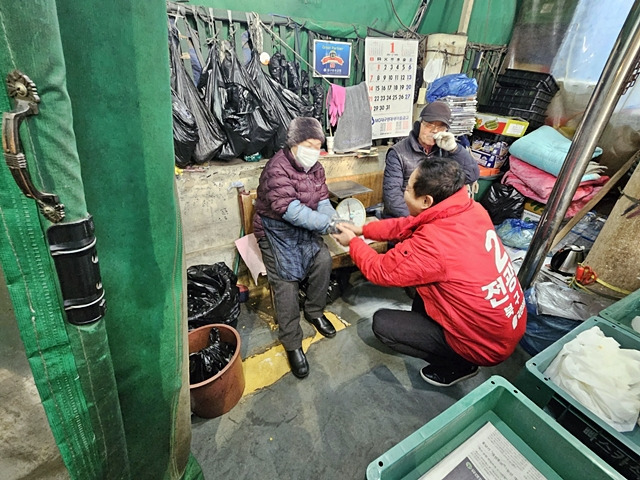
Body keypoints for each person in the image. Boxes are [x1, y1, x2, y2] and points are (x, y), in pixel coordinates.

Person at [332, 158, 526, 387]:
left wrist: (353, 242)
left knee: (383, 324)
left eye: (407, 188)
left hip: (485, 344)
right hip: (504, 324)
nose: (404, 191)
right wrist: (363, 229)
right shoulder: (470, 209)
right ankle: (449, 343)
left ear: (426, 200)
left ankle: (459, 364)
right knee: (424, 292)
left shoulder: (434, 243)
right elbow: (406, 225)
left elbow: (379, 271)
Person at [253, 116, 338, 379]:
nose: (314, 151)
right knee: (285, 281)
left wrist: (334, 220)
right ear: (294, 143)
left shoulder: (316, 169)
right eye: (309, 145)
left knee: (323, 259)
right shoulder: (276, 169)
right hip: (275, 229)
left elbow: (322, 199)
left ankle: (314, 311)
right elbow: (290, 211)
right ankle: (291, 342)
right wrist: (325, 226)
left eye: (317, 146)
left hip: (301, 227)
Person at [383, 101, 479, 218]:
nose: (434, 131)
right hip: (404, 218)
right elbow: (392, 197)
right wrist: (418, 222)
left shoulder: (445, 151)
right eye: (429, 125)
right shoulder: (398, 152)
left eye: (440, 127)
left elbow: (471, 176)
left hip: (436, 218)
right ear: (419, 125)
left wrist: (455, 149)